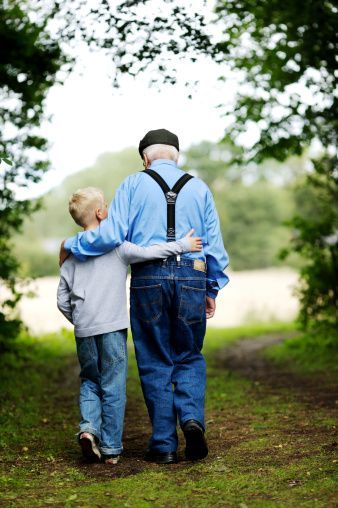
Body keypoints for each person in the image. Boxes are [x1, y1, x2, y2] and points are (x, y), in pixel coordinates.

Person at [60, 129, 229, 464]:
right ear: (176, 156)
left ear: (145, 159)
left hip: (148, 280)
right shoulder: (199, 188)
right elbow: (215, 248)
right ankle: (192, 420)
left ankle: (164, 445)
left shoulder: (133, 184)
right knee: (189, 355)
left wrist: (71, 245)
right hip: (192, 276)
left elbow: (108, 236)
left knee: (154, 359)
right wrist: (210, 288)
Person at [57, 186, 202, 465]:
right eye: (108, 206)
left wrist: (79, 320)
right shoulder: (117, 247)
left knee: (90, 380)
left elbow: (62, 298)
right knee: (113, 385)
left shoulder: (71, 255)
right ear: (101, 213)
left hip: (84, 330)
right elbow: (151, 252)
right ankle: (111, 448)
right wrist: (183, 246)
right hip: (111, 327)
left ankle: (88, 430)